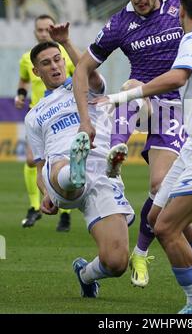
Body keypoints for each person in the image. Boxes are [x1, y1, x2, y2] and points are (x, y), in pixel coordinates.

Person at [73, 0, 192, 291]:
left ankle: (140, 251)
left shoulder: (183, 9)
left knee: (160, 186)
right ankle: (109, 165)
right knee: (117, 109)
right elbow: (81, 70)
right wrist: (83, 121)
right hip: (137, 96)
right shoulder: (120, 23)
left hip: (178, 108)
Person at [25, 41, 134, 298]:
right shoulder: (34, 115)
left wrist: (66, 42)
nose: (54, 66)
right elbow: (40, 165)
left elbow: (91, 74)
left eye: (57, 59)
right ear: (36, 72)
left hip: (102, 175)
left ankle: (86, 275)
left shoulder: (84, 87)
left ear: (65, 61)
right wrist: (45, 193)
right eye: (46, 63)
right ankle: (74, 171)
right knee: (63, 167)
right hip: (59, 168)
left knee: (116, 262)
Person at [15, 15, 74, 231]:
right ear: (34, 32)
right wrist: (20, 95)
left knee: (64, 161)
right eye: (39, 30)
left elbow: (81, 79)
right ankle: (34, 206)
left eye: (47, 29)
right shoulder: (26, 58)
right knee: (33, 160)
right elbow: (23, 79)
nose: (43, 33)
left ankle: (65, 213)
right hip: (37, 115)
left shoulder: (65, 56)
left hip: (63, 117)